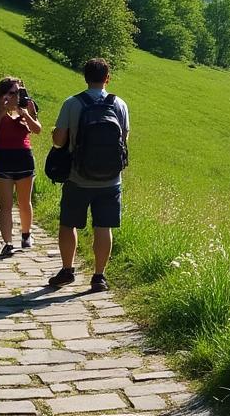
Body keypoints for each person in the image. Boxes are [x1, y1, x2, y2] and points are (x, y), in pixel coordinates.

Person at [49, 58, 129, 292]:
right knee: (104, 227)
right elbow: (123, 139)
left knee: (68, 224)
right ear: (108, 78)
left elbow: (59, 141)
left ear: (85, 77)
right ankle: (98, 276)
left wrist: (57, 133)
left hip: (78, 177)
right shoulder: (120, 104)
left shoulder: (72, 103)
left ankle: (67, 270)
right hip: (111, 179)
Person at [0, 77, 41, 257]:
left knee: (24, 201)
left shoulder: (26, 109)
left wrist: (26, 114)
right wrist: (1, 113)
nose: (16, 96)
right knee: (5, 205)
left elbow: (38, 129)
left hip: (24, 158)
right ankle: (8, 242)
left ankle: (26, 234)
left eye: (19, 92)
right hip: (3, 159)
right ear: (2, 95)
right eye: (12, 92)